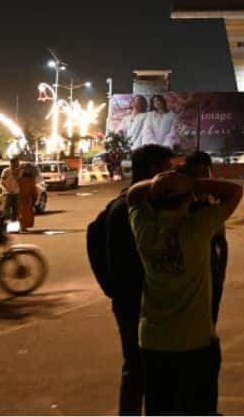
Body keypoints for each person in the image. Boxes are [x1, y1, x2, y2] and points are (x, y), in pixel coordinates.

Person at [127, 158, 243, 416]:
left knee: (159, 407)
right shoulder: (197, 227)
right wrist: (191, 182)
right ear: (190, 198)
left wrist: (161, 183)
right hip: (194, 340)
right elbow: (234, 191)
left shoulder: (145, 229)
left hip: (153, 340)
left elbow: (133, 194)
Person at [102, 144, 175, 416]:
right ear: (155, 170)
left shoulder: (119, 203)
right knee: (146, 368)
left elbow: (93, 239)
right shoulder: (136, 208)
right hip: (141, 302)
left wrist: (110, 288)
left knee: (136, 368)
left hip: (129, 300)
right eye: (169, 168)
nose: (173, 173)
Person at [182, 151, 229, 325]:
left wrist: (221, 271)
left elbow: (221, 241)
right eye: (196, 175)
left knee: (210, 317)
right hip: (191, 275)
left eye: (205, 174)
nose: (202, 180)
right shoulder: (180, 203)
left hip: (213, 269)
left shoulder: (211, 200)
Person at [17, 162, 39, 230]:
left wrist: (35, 197)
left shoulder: (28, 179)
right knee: (24, 212)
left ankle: (23, 226)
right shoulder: (22, 179)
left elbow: (33, 189)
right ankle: (22, 226)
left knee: (25, 212)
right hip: (23, 197)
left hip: (26, 198)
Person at [1, 157, 22, 224]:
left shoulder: (20, 171)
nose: (18, 164)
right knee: (7, 210)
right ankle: (6, 225)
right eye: (17, 162)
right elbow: (2, 182)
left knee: (16, 210)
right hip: (8, 193)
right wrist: (9, 189)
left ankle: (14, 225)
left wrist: (18, 172)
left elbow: (20, 181)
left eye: (18, 162)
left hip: (17, 193)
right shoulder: (6, 171)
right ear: (12, 163)